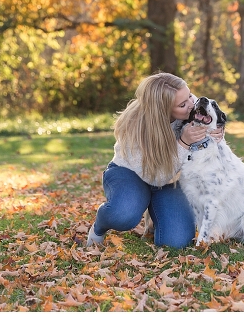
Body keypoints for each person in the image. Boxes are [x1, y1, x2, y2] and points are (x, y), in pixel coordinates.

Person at [86, 73, 224, 248]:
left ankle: (155, 214)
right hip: (131, 174)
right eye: (183, 104)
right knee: (123, 215)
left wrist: (217, 129)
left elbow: (208, 116)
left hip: (169, 179)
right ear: (163, 110)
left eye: (189, 95)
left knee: (176, 242)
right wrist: (183, 143)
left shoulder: (188, 103)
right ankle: (100, 225)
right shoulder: (134, 127)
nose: (191, 105)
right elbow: (156, 178)